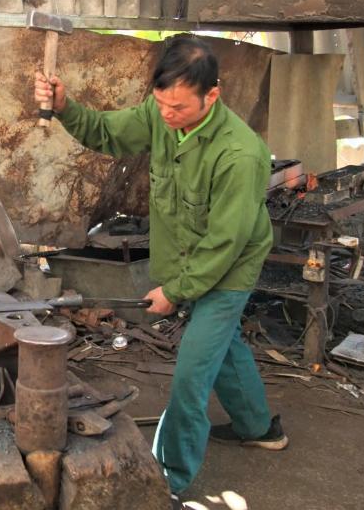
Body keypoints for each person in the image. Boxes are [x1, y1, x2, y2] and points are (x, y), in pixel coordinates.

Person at [34, 35, 288, 501]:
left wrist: (176, 290)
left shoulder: (239, 154)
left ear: (213, 95)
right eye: (161, 104)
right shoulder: (161, 114)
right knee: (223, 345)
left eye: (179, 107)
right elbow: (108, 133)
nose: (167, 116)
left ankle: (168, 480)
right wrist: (68, 107)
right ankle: (259, 427)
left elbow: (224, 243)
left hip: (228, 267)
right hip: (194, 259)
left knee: (191, 373)